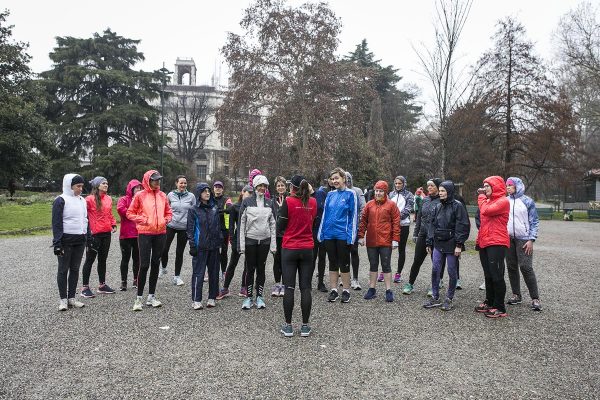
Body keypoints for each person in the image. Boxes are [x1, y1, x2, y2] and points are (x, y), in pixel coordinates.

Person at [127, 170, 172, 311]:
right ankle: (138, 299)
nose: (157, 181)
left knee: (155, 263)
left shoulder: (163, 195)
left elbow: (169, 212)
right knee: (144, 265)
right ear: (147, 180)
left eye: (158, 179)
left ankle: (151, 297)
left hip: (160, 233)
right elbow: (130, 213)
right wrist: (143, 220)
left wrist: (166, 220)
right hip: (145, 233)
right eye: (154, 179)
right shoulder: (140, 195)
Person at [278, 175, 318, 337]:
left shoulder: (288, 201)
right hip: (308, 248)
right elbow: (313, 222)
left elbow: (280, 226)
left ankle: (288, 326)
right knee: (306, 288)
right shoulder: (313, 202)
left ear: (292, 188)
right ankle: (305, 326)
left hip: (290, 248)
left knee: (289, 288)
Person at [423, 181, 470, 311]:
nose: (441, 193)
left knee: (451, 270)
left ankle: (449, 298)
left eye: (443, 191)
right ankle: (435, 296)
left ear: (449, 192)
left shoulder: (458, 206)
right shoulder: (438, 207)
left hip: (452, 243)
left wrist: (459, 244)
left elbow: (463, 225)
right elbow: (432, 225)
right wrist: (429, 241)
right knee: (435, 269)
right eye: (440, 191)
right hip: (438, 243)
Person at [317, 167, 358, 303]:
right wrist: (321, 233)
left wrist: (351, 236)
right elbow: (325, 215)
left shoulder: (351, 194)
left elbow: (353, 216)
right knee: (332, 262)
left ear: (344, 179)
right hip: (329, 234)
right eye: (332, 179)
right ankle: (334, 289)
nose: (334, 181)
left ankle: (346, 290)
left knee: (344, 263)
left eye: (337, 178)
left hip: (342, 234)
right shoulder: (330, 195)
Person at [358, 180, 400, 302]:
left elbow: (396, 223)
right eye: (376, 190)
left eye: (381, 191)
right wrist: (361, 236)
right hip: (371, 240)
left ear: (385, 192)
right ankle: (372, 289)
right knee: (373, 264)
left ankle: (388, 290)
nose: (378, 193)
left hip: (386, 240)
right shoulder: (369, 205)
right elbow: (363, 221)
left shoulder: (391, 205)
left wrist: (395, 239)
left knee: (386, 265)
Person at [239, 174, 277, 309]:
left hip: (265, 242)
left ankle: (259, 297)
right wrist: (241, 245)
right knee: (250, 269)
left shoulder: (270, 202)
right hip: (250, 241)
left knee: (261, 269)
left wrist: (273, 245)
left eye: (264, 186)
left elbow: (273, 224)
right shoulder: (247, 201)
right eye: (260, 186)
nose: (262, 188)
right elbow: (241, 224)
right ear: (255, 186)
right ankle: (248, 298)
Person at [474, 176, 510, 319]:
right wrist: (478, 240)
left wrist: (481, 196)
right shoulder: (487, 201)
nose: (485, 189)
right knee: (488, 275)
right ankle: (490, 301)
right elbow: (483, 224)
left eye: (488, 186)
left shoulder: (503, 201)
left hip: (497, 242)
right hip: (485, 241)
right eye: (484, 186)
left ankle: (500, 307)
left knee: (497, 275)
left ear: (496, 187)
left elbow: (486, 211)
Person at [505, 177, 542, 311]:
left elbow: (534, 221)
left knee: (526, 267)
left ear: (517, 186)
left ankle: (535, 298)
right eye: (507, 185)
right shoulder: (505, 201)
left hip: (524, 239)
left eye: (510, 185)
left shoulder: (527, 201)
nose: (508, 187)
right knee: (511, 267)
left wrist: (531, 239)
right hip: (508, 239)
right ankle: (516, 295)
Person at [52, 174, 88, 311]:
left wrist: (88, 238)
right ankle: (63, 300)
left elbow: (85, 220)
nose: (80, 189)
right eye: (78, 186)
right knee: (63, 270)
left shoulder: (82, 200)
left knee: (75, 269)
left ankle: (71, 298)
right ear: (69, 186)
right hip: (65, 240)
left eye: (81, 186)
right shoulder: (60, 200)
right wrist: (57, 243)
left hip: (80, 240)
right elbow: (56, 223)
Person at [402, 179, 441, 295]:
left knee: (436, 262)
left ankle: (434, 286)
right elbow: (419, 217)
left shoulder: (442, 201)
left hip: (436, 236)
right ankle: (410, 284)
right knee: (417, 260)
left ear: (438, 187)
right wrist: (415, 233)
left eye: (432, 186)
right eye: (428, 185)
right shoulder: (425, 200)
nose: (429, 187)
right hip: (423, 234)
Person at [187, 183, 222, 309]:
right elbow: (190, 229)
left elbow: (218, 227)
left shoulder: (214, 208)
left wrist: (219, 242)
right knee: (198, 273)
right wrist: (192, 244)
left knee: (213, 273)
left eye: (208, 191)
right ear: (198, 193)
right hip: (200, 247)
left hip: (214, 246)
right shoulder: (193, 210)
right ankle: (196, 300)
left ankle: (212, 297)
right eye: (204, 191)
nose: (207, 193)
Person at [80, 176, 117, 297]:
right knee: (89, 260)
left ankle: (102, 285)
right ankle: (85, 287)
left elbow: (109, 214)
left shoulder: (108, 198)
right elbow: (83, 216)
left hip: (106, 233)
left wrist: (113, 224)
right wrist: (86, 232)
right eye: (103, 183)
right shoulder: (89, 200)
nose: (106, 185)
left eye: (107, 183)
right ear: (97, 186)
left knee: (103, 260)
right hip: (94, 234)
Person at [218, 185, 253, 299]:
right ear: (242, 192)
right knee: (232, 263)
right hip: (238, 238)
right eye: (248, 192)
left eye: (252, 193)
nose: (250, 195)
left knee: (247, 264)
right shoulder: (235, 207)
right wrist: (232, 240)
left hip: (250, 238)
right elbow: (231, 226)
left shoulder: (253, 206)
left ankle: (244, 287)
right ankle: (225, 288)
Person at [160, 175, 195, 286]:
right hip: (171, 225)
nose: (183, 185)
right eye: (181, 183)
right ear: (176, 183)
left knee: (179, 252)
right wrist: (165, 220)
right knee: (164, 249)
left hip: (184, 227)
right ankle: (164, 267)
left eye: (185, 183)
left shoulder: (191, 196)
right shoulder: (170, 195)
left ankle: (177, 277)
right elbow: (165, 208)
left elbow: (194, 211)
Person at [387, 175, 415, 284]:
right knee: (387, 248)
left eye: (400, 183)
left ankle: (398, 273)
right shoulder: (391, 194)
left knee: (401, 249)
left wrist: (396, 219)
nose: (398, 185)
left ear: (404, 184)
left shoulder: (409, 195)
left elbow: (408, 210)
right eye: (396, 183)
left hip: (403, 225)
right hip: (390, 226)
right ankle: (385, 270)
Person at [117, 179, 142, 291]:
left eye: (140, 188)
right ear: (131, 189)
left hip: (138, 234)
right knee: (125, 259)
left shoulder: (142, 200)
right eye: (136, 188)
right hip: (126, 234)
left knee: (137, 258)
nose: (138, 190)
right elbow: (121, 210)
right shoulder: (123, 199)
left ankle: (136, 279)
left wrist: (132, 213)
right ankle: (123, 281)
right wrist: (135, 213)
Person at [345, 171, 365, 290]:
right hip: (342, 227)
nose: (347, 180)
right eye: (345, 178)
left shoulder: (357, 191)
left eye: (349, 178)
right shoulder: (339, 192)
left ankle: (355, 279)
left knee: (354, 251)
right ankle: (345, 277)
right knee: (343, 253)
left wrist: (358, 222)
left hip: (354, 226)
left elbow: (363, 207)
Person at [271, 176, 287, 296]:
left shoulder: (290, 199)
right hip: (276, 235)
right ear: (276, 188)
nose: (280, 187)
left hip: (287, 235)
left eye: (282, 185)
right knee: (277, 260)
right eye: (278, 186)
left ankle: (285, 284)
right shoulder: (272, 201)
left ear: (286, 187)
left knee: (286, 260)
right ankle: (277, 284)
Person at [212, 180, 231, 278]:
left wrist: (217, 211)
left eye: (219, 187)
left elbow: (229, 209)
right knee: (212, 251)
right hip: (212, 229)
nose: (218, 188)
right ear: (213, 188)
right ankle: (211, 271)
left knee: (224, 251)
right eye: (216, 186)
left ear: (222, 189)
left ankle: (223, 271)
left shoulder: (226, 199)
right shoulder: (210, 199)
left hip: (224, 229)